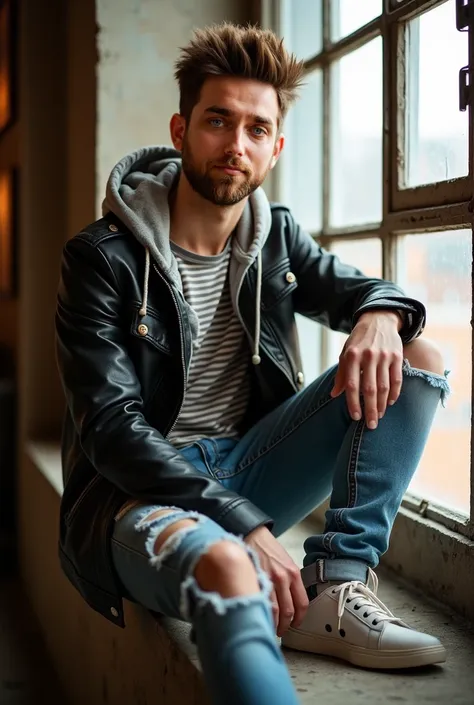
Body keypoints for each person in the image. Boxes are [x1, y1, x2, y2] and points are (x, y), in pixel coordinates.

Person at [55, 22, 450, 705]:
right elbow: (111, 428)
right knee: (227, 568)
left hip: (246, 466)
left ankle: (335, 584)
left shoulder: (278, 238)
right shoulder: (102, 258)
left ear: (276, 146)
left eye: (256, 129)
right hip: (136, 493)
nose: (236, 145)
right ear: (180, 131)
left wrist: (379, 312)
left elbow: (365, 292)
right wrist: (241, 521)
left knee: (418, 353)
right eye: (218, 121)